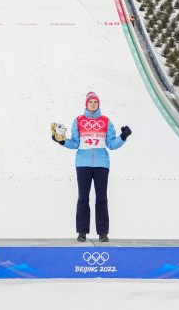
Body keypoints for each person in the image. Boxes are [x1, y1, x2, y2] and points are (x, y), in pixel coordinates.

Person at [52, 92, 131, 242]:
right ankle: (82, 232)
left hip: (102, 165)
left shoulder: (106, 121)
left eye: (95, 102)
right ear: (86, 104)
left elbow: (111, 144)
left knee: (101, 199)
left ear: (99, 104)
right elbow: (75, 143)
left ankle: (103, 233)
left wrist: (123, 137)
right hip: (83, 164)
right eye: (91, 102)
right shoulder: (79, 121)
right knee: (83, 198)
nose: (93, 104)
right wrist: (61, 141)